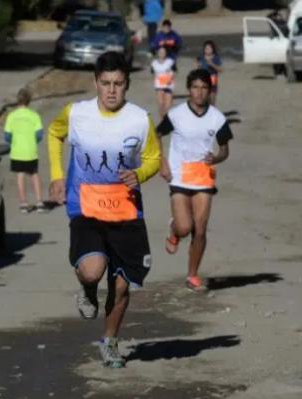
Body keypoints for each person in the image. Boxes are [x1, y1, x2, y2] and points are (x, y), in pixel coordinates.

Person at [47, 51, 161, 368]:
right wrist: (56, 175)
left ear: (127, 85)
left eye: (118, 84)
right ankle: (87, 287)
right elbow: (54, 134)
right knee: (93, 270)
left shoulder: (140, 119)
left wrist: (140, 174)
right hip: (86, 206)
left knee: (121, 285)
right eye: (106, 83)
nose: (112, 90)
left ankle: (109, 342)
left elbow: (154, 158)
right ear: (96, 82)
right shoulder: (76, 113)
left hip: (126, 211)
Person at [158, 69, 232, 292]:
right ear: (189, 90)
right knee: (185, 226)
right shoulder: (176, 115)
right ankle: (175, 231)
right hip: (179, 175)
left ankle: (192, 275)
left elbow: (225, 150)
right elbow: (156, 135)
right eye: (195, 87)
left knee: (200, 230)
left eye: (204, 88)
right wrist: (162, 162)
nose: (199, 92)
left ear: (210, 90)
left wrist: (216, 157)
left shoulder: (217, 118)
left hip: (203, 177)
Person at [5, 88, 46, 213]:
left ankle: (23, 203)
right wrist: (33, 141)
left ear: (17, 100)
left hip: (17, 151)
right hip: (30, 150)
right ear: (29, 101)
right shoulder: (34, 116)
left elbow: (7, 136)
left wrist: (14, 141)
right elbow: (39, 134)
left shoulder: (11, 116)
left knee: (20, 175)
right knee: (34, 174)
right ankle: (39, 202)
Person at [151, 45, 176, 118]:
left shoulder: (170, 62)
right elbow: (153, 73)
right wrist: (156, 80)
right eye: (160, 52)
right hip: (159, 85)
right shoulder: (154, 63)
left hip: (169, 85)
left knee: (168, 105)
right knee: (161, 103)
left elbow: (175, 71)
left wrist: (171, 76)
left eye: (163, 52)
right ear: (157, 53)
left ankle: (166, 119)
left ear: (166, 53)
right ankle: (162, 119)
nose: (162, 53)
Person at [196, 40, 223, 105]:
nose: (207, 50)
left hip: (212, 81)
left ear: (213, 49)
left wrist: (212, 64)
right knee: (203, 101)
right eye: (206, 48)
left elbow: (221, 70)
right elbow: (198, 70)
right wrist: (198, 66)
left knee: (212, 102)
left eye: (209, 48)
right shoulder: (201, 57)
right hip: (203, 81)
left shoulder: (216, 58)